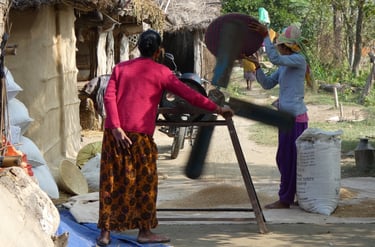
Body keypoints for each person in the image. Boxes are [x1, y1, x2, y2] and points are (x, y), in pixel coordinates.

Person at [96, 29, 234, 246]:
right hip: (140, 137)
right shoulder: (162, 72)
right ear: (159, 50)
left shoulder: (121, 68)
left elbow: (109, 96)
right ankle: (144, 231)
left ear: (138, 47)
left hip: (115, 136)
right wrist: (217, 108)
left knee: (111, 182)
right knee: (145, 184)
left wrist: (115, 126)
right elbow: (189, 94)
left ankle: (105, 233)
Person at [248, 22, 313, 209]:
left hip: (295, 119)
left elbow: (275, 59)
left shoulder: (298, 60)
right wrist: (257, 67)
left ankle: (285, 199)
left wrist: (265, 36)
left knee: (289, 159)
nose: (279, 49)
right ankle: (290, 196)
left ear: (287, 47)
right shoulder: (286, 65)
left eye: (281, 46)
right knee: (285, 158)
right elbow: (268, 84)